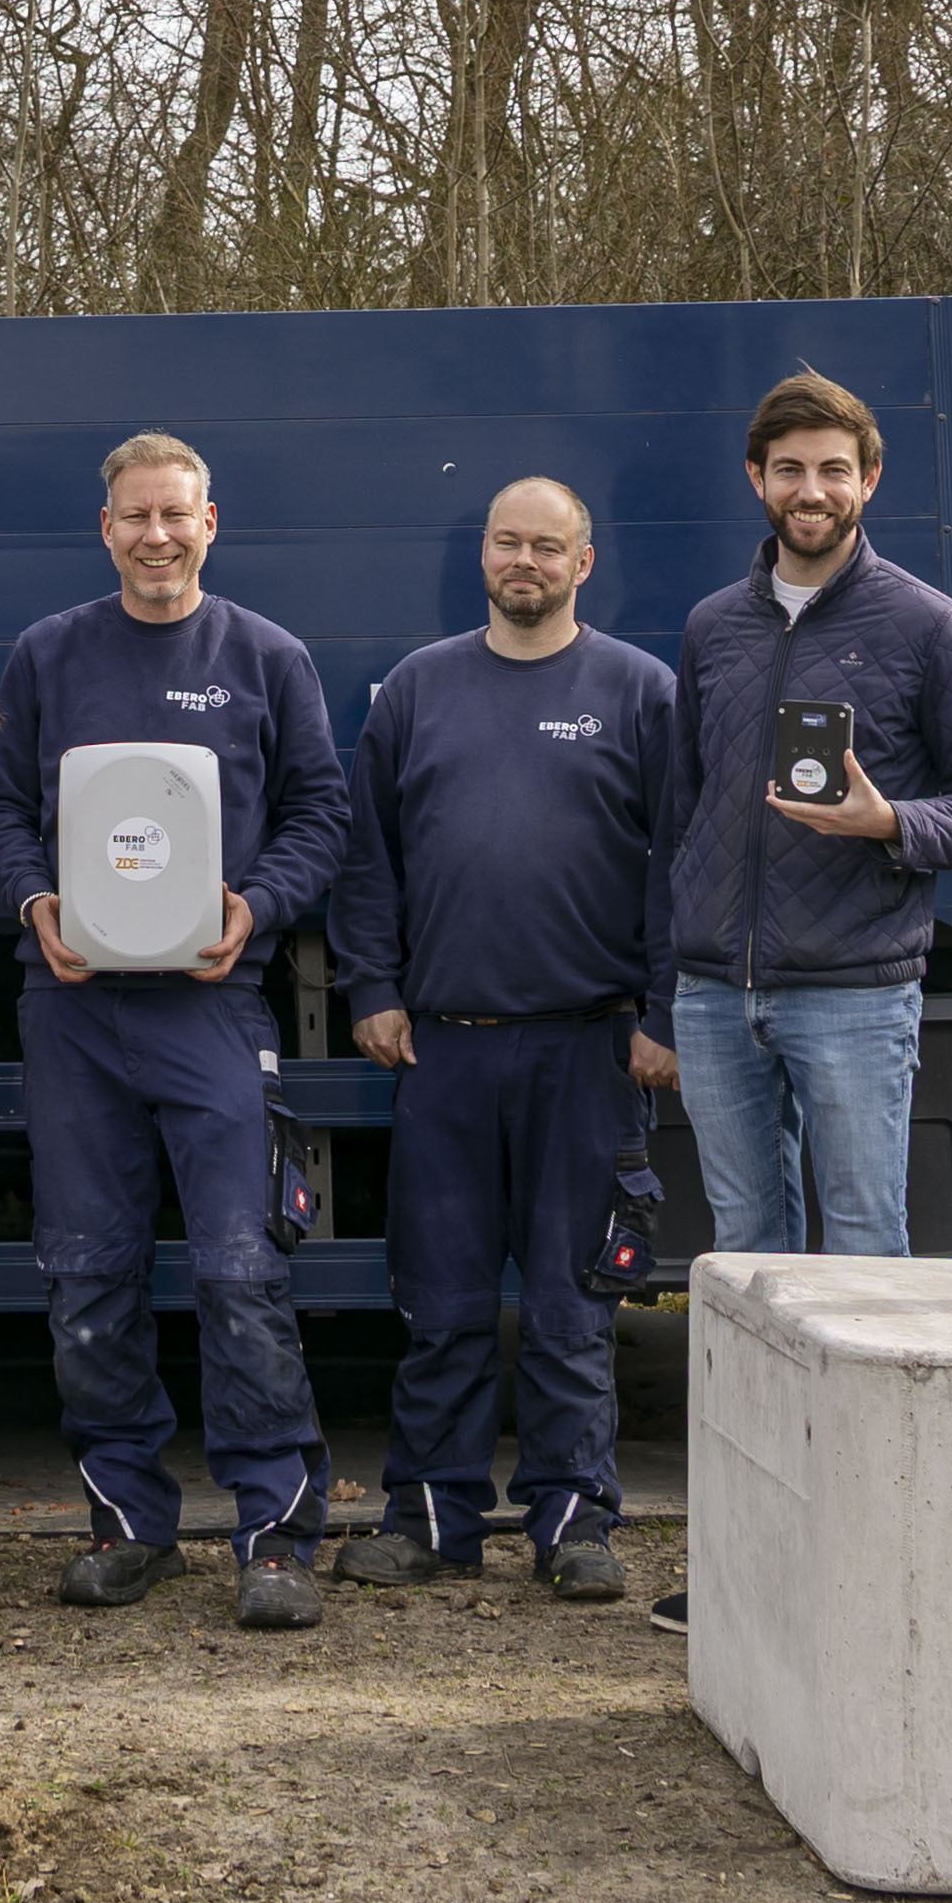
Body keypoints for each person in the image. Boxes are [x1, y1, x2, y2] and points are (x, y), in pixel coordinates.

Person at [656, 369, 952, 1634]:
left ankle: (868, 1563)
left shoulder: (923, 626)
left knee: (863, 1266)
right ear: (755, 483)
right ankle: (753, 1562)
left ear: (869, 482)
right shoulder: (712, 626)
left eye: (833, 470)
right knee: (746, 1272)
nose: (808, 492)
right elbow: (686, 811)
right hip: (717, 995)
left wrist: (888, 823)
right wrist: (673, 967)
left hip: (854, 995)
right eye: (787, 470)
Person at [0, 429, 353, 1630]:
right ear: (105, 528)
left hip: (211, 1004)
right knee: (86, 1277)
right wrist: (34, 902)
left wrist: (257, 906)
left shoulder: (267, 657)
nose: (155, 535)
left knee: (242, 1274)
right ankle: (126, 1524)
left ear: (209, 523)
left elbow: (318, 813)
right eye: (134, 516)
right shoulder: (49, 654)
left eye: (175, 516)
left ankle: (274, 1537)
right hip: (74, 1009)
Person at [328, 476, 682, 1605]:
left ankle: (572, 1521)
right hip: (441, 1048)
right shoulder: (417, 692)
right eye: (504, 542)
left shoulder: (639, 692)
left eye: (546, 545)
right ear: (480, 554)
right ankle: (427, 1515)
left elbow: (681, 866)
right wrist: (373, 989)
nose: (521, 560)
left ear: (584, 563)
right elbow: (365, 859)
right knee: (438, 1300)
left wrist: (663, 1016)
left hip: (587, 1048)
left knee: (577, 1304)